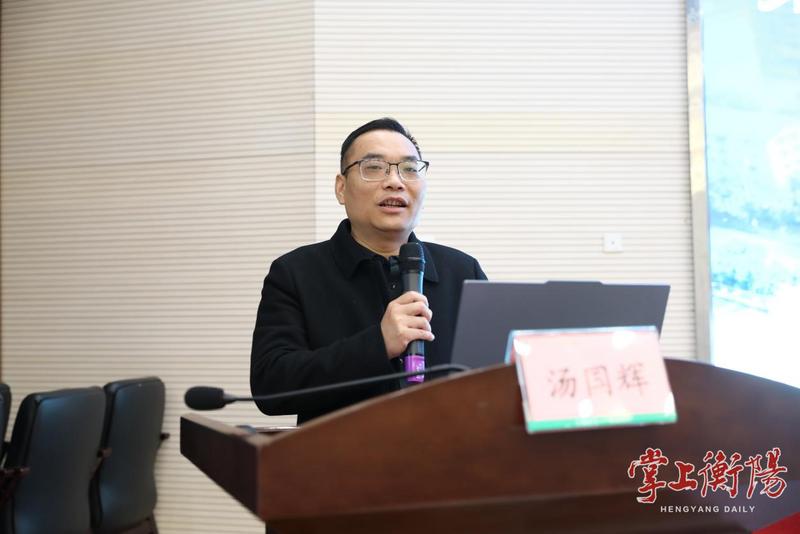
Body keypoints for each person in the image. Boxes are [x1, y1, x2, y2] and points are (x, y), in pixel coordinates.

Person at [250, 118, 487, 423]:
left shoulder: (463, 271)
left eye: (409, 168)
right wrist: (378, 344)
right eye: (374, 167)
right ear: (341, 188)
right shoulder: (296, 273)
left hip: (450, 452)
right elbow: (271, 386)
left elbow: (494, 379)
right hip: (342, 452)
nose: (395, 181)